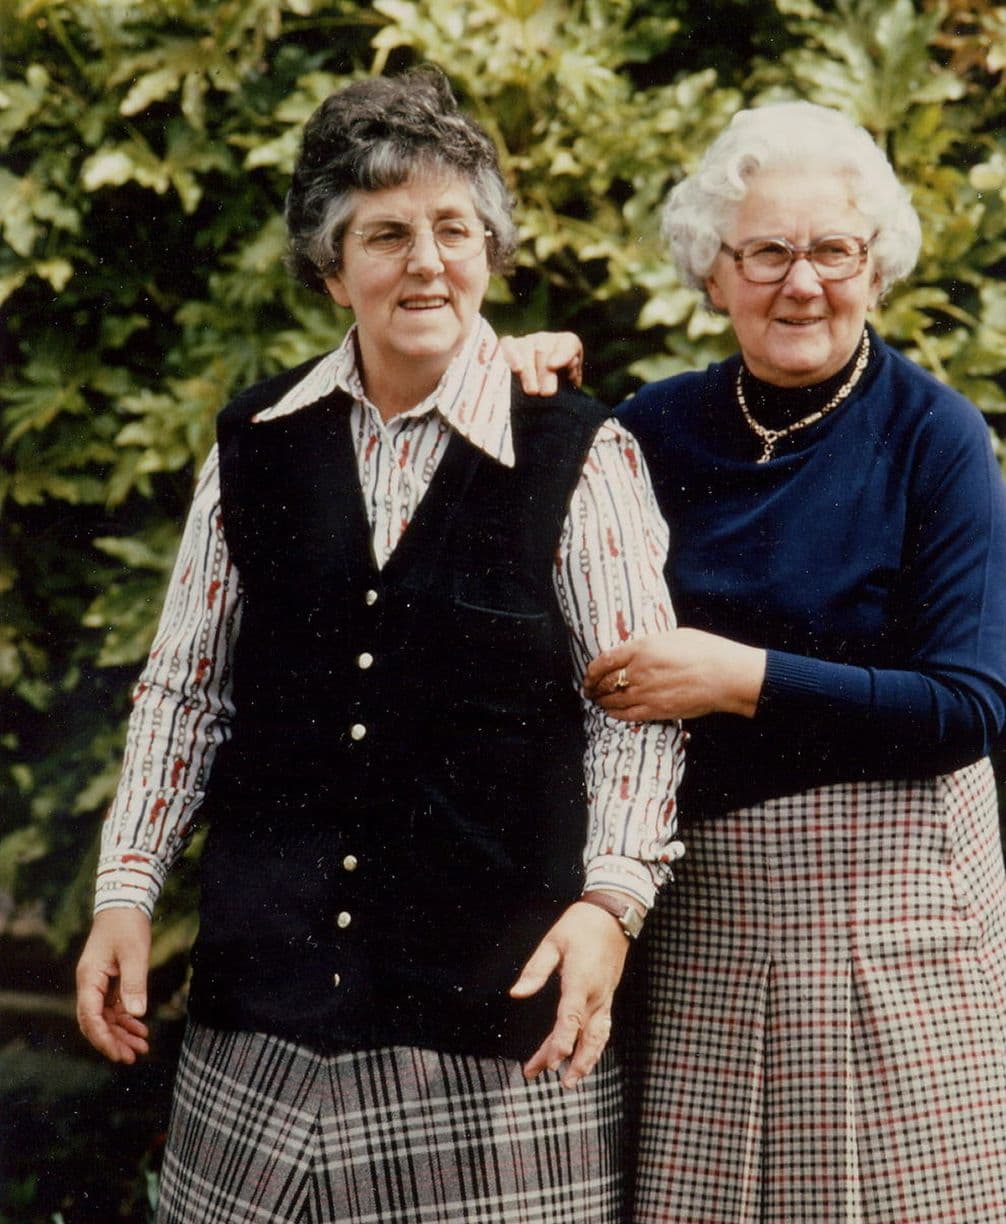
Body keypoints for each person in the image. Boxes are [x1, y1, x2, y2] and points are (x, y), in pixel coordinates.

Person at [74, 67, 687, 1223]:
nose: (426, 263)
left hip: (493, 1037)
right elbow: (185, 694)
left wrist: (609, 903)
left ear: (490, 249)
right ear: (329, 266)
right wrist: (125, 890)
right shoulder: (254, 445)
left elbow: (634, 711)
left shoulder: (577, 453)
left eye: (453, 229)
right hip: (263, 1023)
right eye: (385, 234)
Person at [519, 100, 1006, 1222]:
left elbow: (969, 704)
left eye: (834, 250)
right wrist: (503, 377)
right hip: (707, 914)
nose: (803, 284)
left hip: (894, 910)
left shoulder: (934, 435)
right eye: (768, 252)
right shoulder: (649, 431)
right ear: (714, 272)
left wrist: (739, 679)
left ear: (874, 266)